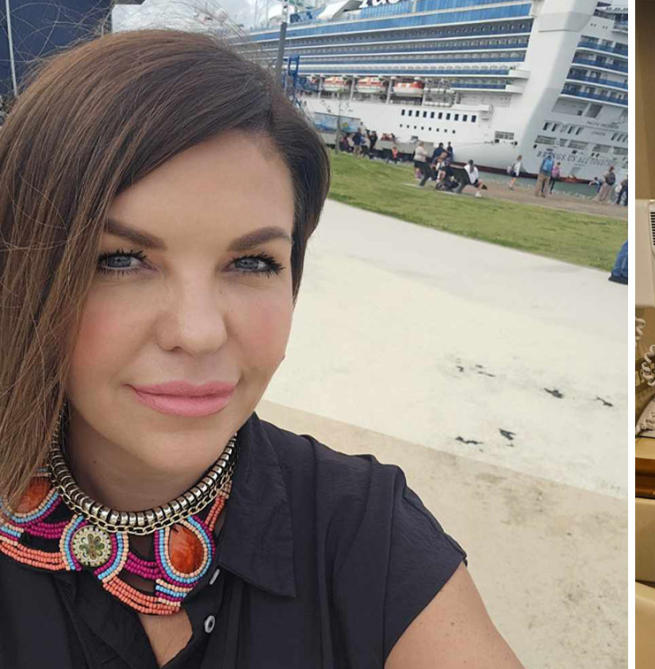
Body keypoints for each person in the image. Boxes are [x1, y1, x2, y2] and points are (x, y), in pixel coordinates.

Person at [0, 30, 521, 668]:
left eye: (252, 262)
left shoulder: (362, 532)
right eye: (121, 258)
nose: (198, 332)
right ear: (23, 273)